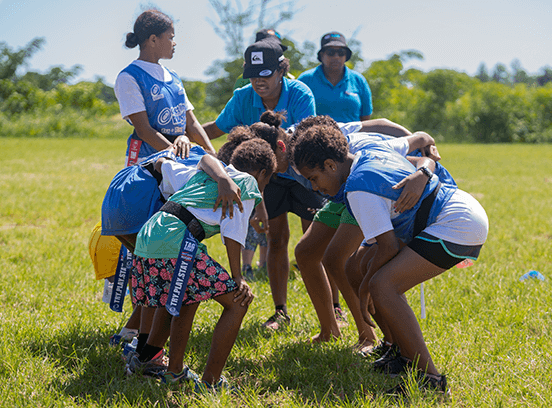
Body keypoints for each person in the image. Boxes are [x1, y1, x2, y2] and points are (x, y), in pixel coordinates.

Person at [291, 124, 488, 396]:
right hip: (449, 213)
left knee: (382, 286)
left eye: (314, 178)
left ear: (330, 165)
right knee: (354, 267)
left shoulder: (358, 189)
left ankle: (428, 379)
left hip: (456, 223)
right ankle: (401, 354)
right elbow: (418, 149)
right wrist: (364, 283)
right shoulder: (370, 149)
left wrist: (364, 292)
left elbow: (388, 247)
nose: (316, 187)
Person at [128, 137, 277, 390]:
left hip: (151, 233)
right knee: (238, 303)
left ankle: (158, 364)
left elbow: (201, 160)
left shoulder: (215, 173)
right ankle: (211, 382)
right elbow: (233, 233)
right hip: (176, 240)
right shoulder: (247, 183)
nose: (261, 192)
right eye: (266, 184)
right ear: (262, 174)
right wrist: (237, 277)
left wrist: (221, 177)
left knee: (188, 295)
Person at [202, 39, 323, 330]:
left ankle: (332, 309)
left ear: (282, 70)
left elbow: (305, 140)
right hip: (268, 179)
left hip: (303, 174)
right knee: (276, 240)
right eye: (253, 75)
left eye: (266, 74)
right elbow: (214, 130)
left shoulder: (300, 93)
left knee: (314, 244)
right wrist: (177, 139)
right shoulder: (242, 98)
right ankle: (280, 311)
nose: (259, 81)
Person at [101, 145, 243, 357]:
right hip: (140, 203)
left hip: (115, 202)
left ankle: (131, 336)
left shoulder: (187, 151)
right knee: (163, 280)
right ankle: (147, 351)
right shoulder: (212, 170)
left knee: (154, 279)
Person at [114, 8, 215, 167]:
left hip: (177, 157)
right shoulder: (129, 77)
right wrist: (180, 156)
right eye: (170, 37)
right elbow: (144, 130)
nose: (174, 43)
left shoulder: (173, 76)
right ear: (153, 40)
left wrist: (211, 152)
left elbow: (191, 123)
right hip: (147, 161)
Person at [298, 32, 372, 123]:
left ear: (346, 56)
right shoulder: (305, 80)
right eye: (330, 52)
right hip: (316, 135)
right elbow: (296, 112)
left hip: (353, 136)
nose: (336, 57)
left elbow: (365, 117)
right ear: (321, 55)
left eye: (341, 53)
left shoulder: (359, 80)